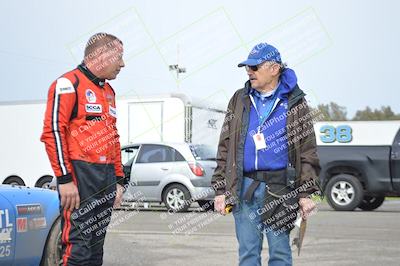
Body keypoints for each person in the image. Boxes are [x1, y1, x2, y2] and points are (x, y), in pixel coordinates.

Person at [212, 42, 321, 266]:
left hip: (281, 189)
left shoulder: (295, 102)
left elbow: (308, 151)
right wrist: (220, 188)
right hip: (244, 188)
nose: (249, 72)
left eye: (255, 67)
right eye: (247, 68)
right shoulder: (239, 99)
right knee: (248, 254)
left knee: (280, 254)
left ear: (274, 68)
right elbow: (225, 145)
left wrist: (306, 192)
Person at [41, 32, 127, 266]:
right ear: (100, 55)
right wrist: (65, 178)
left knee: (96, 247)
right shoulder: (68, 84)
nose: (122, 64)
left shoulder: (109, 92)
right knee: (78, 246)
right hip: (80, 175)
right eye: (119, 57)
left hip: (106, 176)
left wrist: (119, 180)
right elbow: (53, 132)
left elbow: (113, 136)